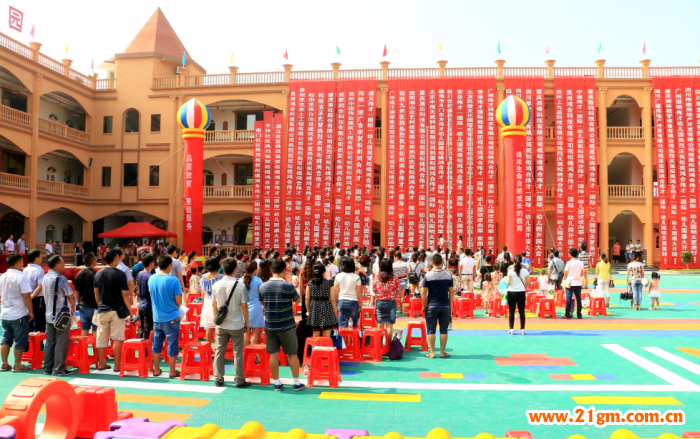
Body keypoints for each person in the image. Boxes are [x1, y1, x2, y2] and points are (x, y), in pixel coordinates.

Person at [259, 259, 305, 391]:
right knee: (292, 354)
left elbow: (262, 301)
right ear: (284, 270)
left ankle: (277, 382)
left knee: (273, 354)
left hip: (270, 325)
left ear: (271, 270)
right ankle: (296, 382)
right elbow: (298, 300)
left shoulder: (263, 286)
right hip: (287, 325)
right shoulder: (288, 286)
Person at [211, 257, 250, 388]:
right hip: (236, 324)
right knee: (237, 352)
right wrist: (247, 323)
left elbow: (214, 305)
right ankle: (239, 379)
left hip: (221, 324)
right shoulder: (240, 285)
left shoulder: (216, 284)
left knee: (219, 351)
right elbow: (244, 306)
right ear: (235, 269)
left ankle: (218, 378)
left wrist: (216, 319)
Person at [94, 248, 132, 372]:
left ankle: (101, 363)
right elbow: (125, 294)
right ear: (116, 258)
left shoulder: (98, 273)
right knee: (117, 337)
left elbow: (96, 292)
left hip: (102, 309)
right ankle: (117, 365)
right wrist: (130, 310)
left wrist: (99, 304)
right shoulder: (120, 274)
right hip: (117, 310)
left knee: (101, 337)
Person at [148, 255, 183, 378]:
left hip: (157, 317)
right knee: (172, 344)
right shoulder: (174, 281)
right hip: (172, 317)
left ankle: (156, 369)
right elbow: (179, 302)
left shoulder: (151, 278)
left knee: (156, 344)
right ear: (170, 265)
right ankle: (172, 371)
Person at [42, 255, 76, 376]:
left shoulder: (45, 277)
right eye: (62, 263)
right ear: (57, 265)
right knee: (61, 342)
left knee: (50, 342)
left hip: (49, 314)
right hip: (61, 315)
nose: (64, 265)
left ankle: (47, 367)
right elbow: (70, 295)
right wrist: (73, 307)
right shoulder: (61, 278)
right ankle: (58, 369)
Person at [0, 253, 33, 372]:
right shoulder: (21, 276)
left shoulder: (2, 276)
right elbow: (27, 296)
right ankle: (18, 364)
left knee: (6, 339)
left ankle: (4, 363)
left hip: (5, 313)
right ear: (18, 263)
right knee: (19, 339)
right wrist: (31, 311)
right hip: (18, 313)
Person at [420, 253, 454, 358]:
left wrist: (423, 305)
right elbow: (451, 292)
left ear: (432, 263)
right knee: (443, 329)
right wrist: (451, 306)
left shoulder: (428, 276)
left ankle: (432, 352)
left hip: (431, 305)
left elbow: (423, 292)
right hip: (445, 306)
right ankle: (442, 352)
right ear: (442, 262)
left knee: (431, 329)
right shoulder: (448, 275)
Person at [306, 262, 338, 337]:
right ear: (324, 272)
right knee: (326, 335)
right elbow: (333, 300)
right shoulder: (329, 283)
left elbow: (307, 298)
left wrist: (308, 310)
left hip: (314, 309)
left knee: (315, 335)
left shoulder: (310, 283)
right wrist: (334, 312)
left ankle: (315, 349)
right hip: (326, 308)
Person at [372, 258, 401, 338]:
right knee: (389, 326)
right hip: (391, 303)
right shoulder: (394, 278)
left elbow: (374, 290)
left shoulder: (377, 278)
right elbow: (398, 290)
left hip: (380, 302)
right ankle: (388, 347)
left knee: (380, 325)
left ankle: (380, 346)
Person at [200, 258, 224, 345]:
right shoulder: (221, 276)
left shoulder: (204, 276)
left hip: (207, 302)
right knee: (219, 327)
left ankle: (208, 348)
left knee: (209, 327)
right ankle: (218, 349)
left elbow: (203, 291)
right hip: (218, 302)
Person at [505, 254, 530, 335]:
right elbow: (528, 282)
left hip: (512, 292)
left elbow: (507, 282)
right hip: (521, 292)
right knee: (522, 312)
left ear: (513, 261)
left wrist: (512, 284)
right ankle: (522, 329)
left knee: (512, 312)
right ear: (521, 261)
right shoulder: (525, 270)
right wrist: (523, 285)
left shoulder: (510, 271)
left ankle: (511, 329)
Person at [75, 253, 99, 336]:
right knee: (96, 329)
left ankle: (83, 348)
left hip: (83, 305)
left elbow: (77, 292)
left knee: (84, 328)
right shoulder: (96, 274)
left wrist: (79, 303)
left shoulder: (79, 274)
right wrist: (99, 303)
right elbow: (96, 291)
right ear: (93, 261)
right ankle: (96, 348)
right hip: (94, 306)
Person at [335, 258, 362, 328]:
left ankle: (343, 339)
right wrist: (361, 302)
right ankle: (351, 339)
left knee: (341, 324)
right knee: (353, 325)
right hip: (353, 302)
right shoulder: (357, 277)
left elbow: (336, 290)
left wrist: (336, 301)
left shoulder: (338, 276)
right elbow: (359, 291)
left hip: (341, 301)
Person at [25, 250, 46, 334]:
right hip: (37, 299)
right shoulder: (39, 270)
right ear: (36, 258)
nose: (41, 258)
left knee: (29, 322)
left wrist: (28, 298)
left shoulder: (25, 270)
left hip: (26, 299)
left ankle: (27, 346)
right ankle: (39, 346)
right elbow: (40, 286)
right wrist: (32, 297)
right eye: (40, 256)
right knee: (39, 324)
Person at [243, 262, 264, 345]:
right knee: (256, 333)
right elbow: (262, 294)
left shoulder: (241, 280)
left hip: (244, 308)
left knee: (245, 332)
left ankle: (245, 354)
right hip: (256, 308)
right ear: (255, 270)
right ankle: (254, 355)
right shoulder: (258, 280)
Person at [136, 254, 156, 340]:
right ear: (151, 263)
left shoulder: (140, 274)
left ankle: (142, 349)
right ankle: (147, 351)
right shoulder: (150, 276)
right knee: (148, 329)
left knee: (142, 328)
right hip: (148, 306)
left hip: (141, 304)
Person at [563, 248, 584, 319]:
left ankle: (567, 314)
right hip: (578, 283)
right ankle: (579, 314)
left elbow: (565, 273)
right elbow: (581, 273)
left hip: (570, 283)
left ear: (570, 254)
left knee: (569, 299)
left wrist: (565, 280)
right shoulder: (581, 263)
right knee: (579, 299)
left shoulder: (569, 263)